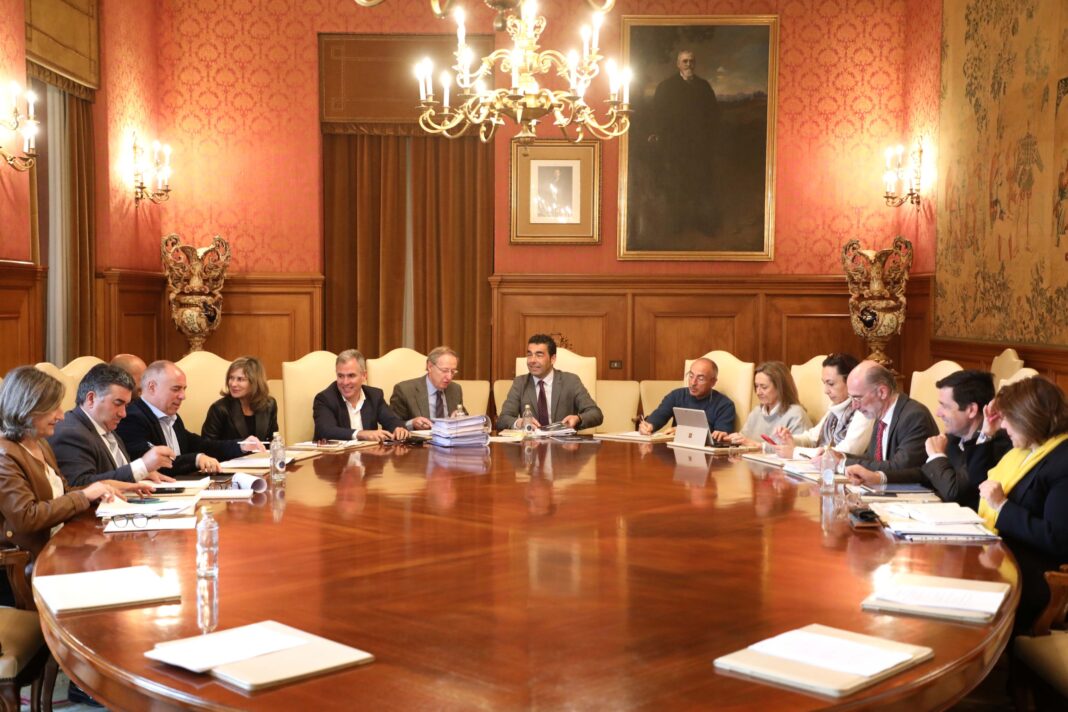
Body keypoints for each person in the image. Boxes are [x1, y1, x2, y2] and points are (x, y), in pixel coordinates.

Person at [0, 367, 150, 557]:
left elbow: (64, 493)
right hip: (30, 558)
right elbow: (26, 518)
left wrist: (105, 486)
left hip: (60, 543)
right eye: (53, 408)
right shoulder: (4, 455)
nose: (61, 416)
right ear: (27, 408)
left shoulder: (40, 443)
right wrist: (85, 495)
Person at [975, 376, 1068, 630]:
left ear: (1028, 418)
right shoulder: (1026, 451)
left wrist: (1002, 506)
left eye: (1007, 418)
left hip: (1038, 576)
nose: (1004, 425)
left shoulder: (1062, 462)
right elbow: (978, 481)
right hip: (1007, 559)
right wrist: (987, 432)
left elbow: (1058, 539)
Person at [116, 360, 256, 475]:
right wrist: (196, 459)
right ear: (152, 387)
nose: (183, 396)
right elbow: (154, 465)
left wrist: (241, 445)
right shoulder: (131, 418)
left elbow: (202, 445)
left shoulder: (172, 417)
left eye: (184, 389)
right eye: (176, 389)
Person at [49, 364, 178, 487]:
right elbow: (80, 485)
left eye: (126, 405)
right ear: (91, 399)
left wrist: (140, 475)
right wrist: (141, 467)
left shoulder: (107, 428)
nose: (123, 414)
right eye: (118, 403)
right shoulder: (70, 433)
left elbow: (113, 473)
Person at [912, 370, 1010, 508]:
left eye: (945, 406)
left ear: (971, 410)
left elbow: (954, 492)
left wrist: (937, 456)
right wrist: (882, 476)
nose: (938, 413)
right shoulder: (954, 437)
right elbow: (926, 476)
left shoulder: (995, 443)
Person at [648, 49, 720, 235]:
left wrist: (710, 135)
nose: (689, 64)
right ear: (678, 64)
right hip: (675, 145)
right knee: (677, 184)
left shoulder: (704, 86)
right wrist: (656, 132)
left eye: (691, 61)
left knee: (701, 184)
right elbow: (657, 113)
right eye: (685, 61)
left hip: (699, 145)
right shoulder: (666, 87)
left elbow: (713, 113)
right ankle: (677, 224)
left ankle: (702, 223)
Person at [841, 360, 940, 486]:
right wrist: (840, 456)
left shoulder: (914, 416)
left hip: (915, 493)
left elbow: (900, 468)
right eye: (851, 398)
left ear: (882, 392)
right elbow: (874, 459)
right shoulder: (880, 413)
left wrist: (842, 464)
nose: (854, 406)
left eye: (857, 398)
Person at [496, 334, 603, 432]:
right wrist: (520, 423)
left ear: (552, 359)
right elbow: (503, 419)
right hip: (531, 445)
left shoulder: (571, 381)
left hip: (564, 445)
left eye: (539, 355)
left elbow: (596, 414)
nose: (532, 360)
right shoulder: (520, 383)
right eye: (529, 354)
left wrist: (578, 419)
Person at [773, 353, 873, 458]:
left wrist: (795, 452)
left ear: (850, 381)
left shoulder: (864, 410)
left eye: (831, 384)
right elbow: (812, 438)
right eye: (824, 383)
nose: (826, 391)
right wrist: (790, 439)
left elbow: (845, 452)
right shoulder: (835, 407)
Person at [313, 349, 409, 442]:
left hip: (369, 452)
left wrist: (398, 428)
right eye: (340, 376)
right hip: (336, 453)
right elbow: (326, 431)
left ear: (364, 375)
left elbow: (391, 420)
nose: (345, 382)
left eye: (351, 376)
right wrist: (361, 434)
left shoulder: (374, 396)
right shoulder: (325, 399)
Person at [638, 357, 735, 435]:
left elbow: (720, 438)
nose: (693, 383)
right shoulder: (676, 395)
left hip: (706, 452)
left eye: (700, 379)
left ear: (713, 382)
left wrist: (684, 432)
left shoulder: (725, 405)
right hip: (675, 451)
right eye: (691, 376)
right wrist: (649, 425)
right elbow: (660, 414)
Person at [723, 361, 810, 445]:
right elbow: (743, 440)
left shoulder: (796, 414)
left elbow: (796, 451)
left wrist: (755, 445)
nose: (758, 392)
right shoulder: (756, 411)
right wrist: (730, 439)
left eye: (764, 387)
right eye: (756, 386)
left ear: (780, 388)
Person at [202, 356, 279, 443]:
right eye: (231, 378)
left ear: (255, 382)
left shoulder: (269, 405)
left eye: (240, 379)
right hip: (230, 453)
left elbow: (273, 440)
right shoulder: (219, 409)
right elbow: (207, 445)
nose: (233, 384)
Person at [390, 346, 464, 430]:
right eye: (444, 371)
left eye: (453, 371)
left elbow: (464, 416)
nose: (449, 377)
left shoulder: (455, 389)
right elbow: (391, 424)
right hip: (420, 438)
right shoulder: (405, 390)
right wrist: (412, 423)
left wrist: (460, 417)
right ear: (430, 367)